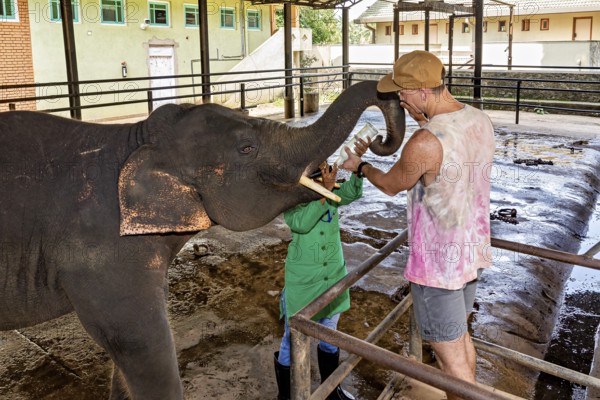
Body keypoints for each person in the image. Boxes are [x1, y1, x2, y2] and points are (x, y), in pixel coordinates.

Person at [341, 50, 495, 400]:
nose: (399, 98)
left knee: (452, 368)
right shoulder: (478, 119)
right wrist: (423, 121)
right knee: (460, 341)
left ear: (424, 91)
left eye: (403, 92)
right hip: (470, 253)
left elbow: (392, 184)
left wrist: (360, 166)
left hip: (438, 264)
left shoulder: (425, 141)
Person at [274, 156, 368, 400]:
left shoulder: (331, 190)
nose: (326, 175)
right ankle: (286, 396)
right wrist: (324, 192)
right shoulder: (292, 201)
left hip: (333, 277)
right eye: (320, 172)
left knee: (330, 334)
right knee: (291, 340)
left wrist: (358, 170)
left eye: (326, 170)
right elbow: (302, 224)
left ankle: (332, 392)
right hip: (304, 281)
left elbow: (351, 193)